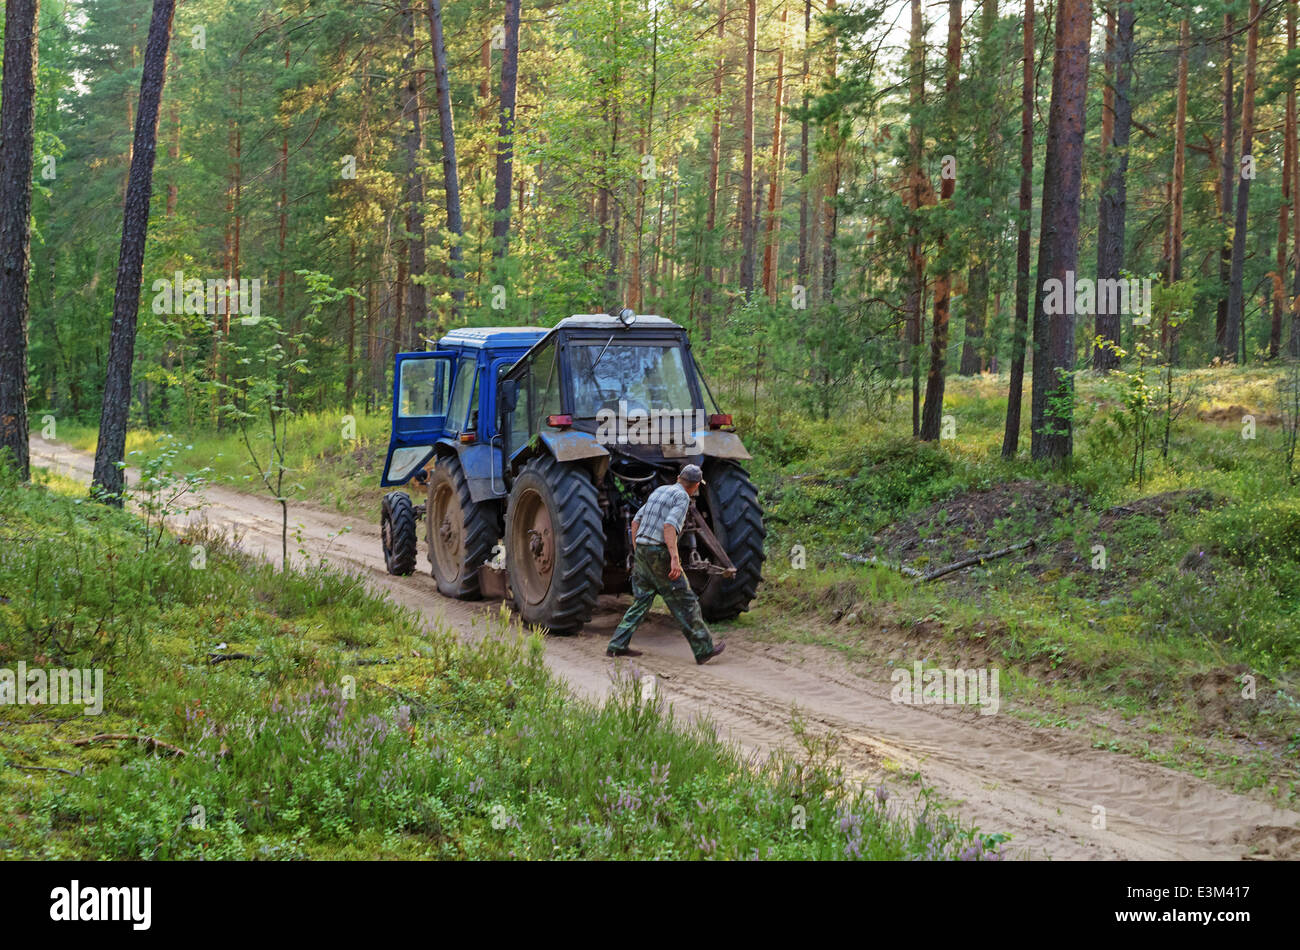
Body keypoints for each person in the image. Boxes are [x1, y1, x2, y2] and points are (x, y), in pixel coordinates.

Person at [606, 464, 726, 665]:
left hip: (643, 550)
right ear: (696, 485)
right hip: (659, 552)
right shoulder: (682, 498)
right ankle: (703, 649)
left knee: (641, 601)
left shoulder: (659, 491)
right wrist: (674, 558)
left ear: (679, 477)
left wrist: (638, 549)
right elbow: (669, 526)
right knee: (686, 601)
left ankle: (617, 645)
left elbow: (636, 521)